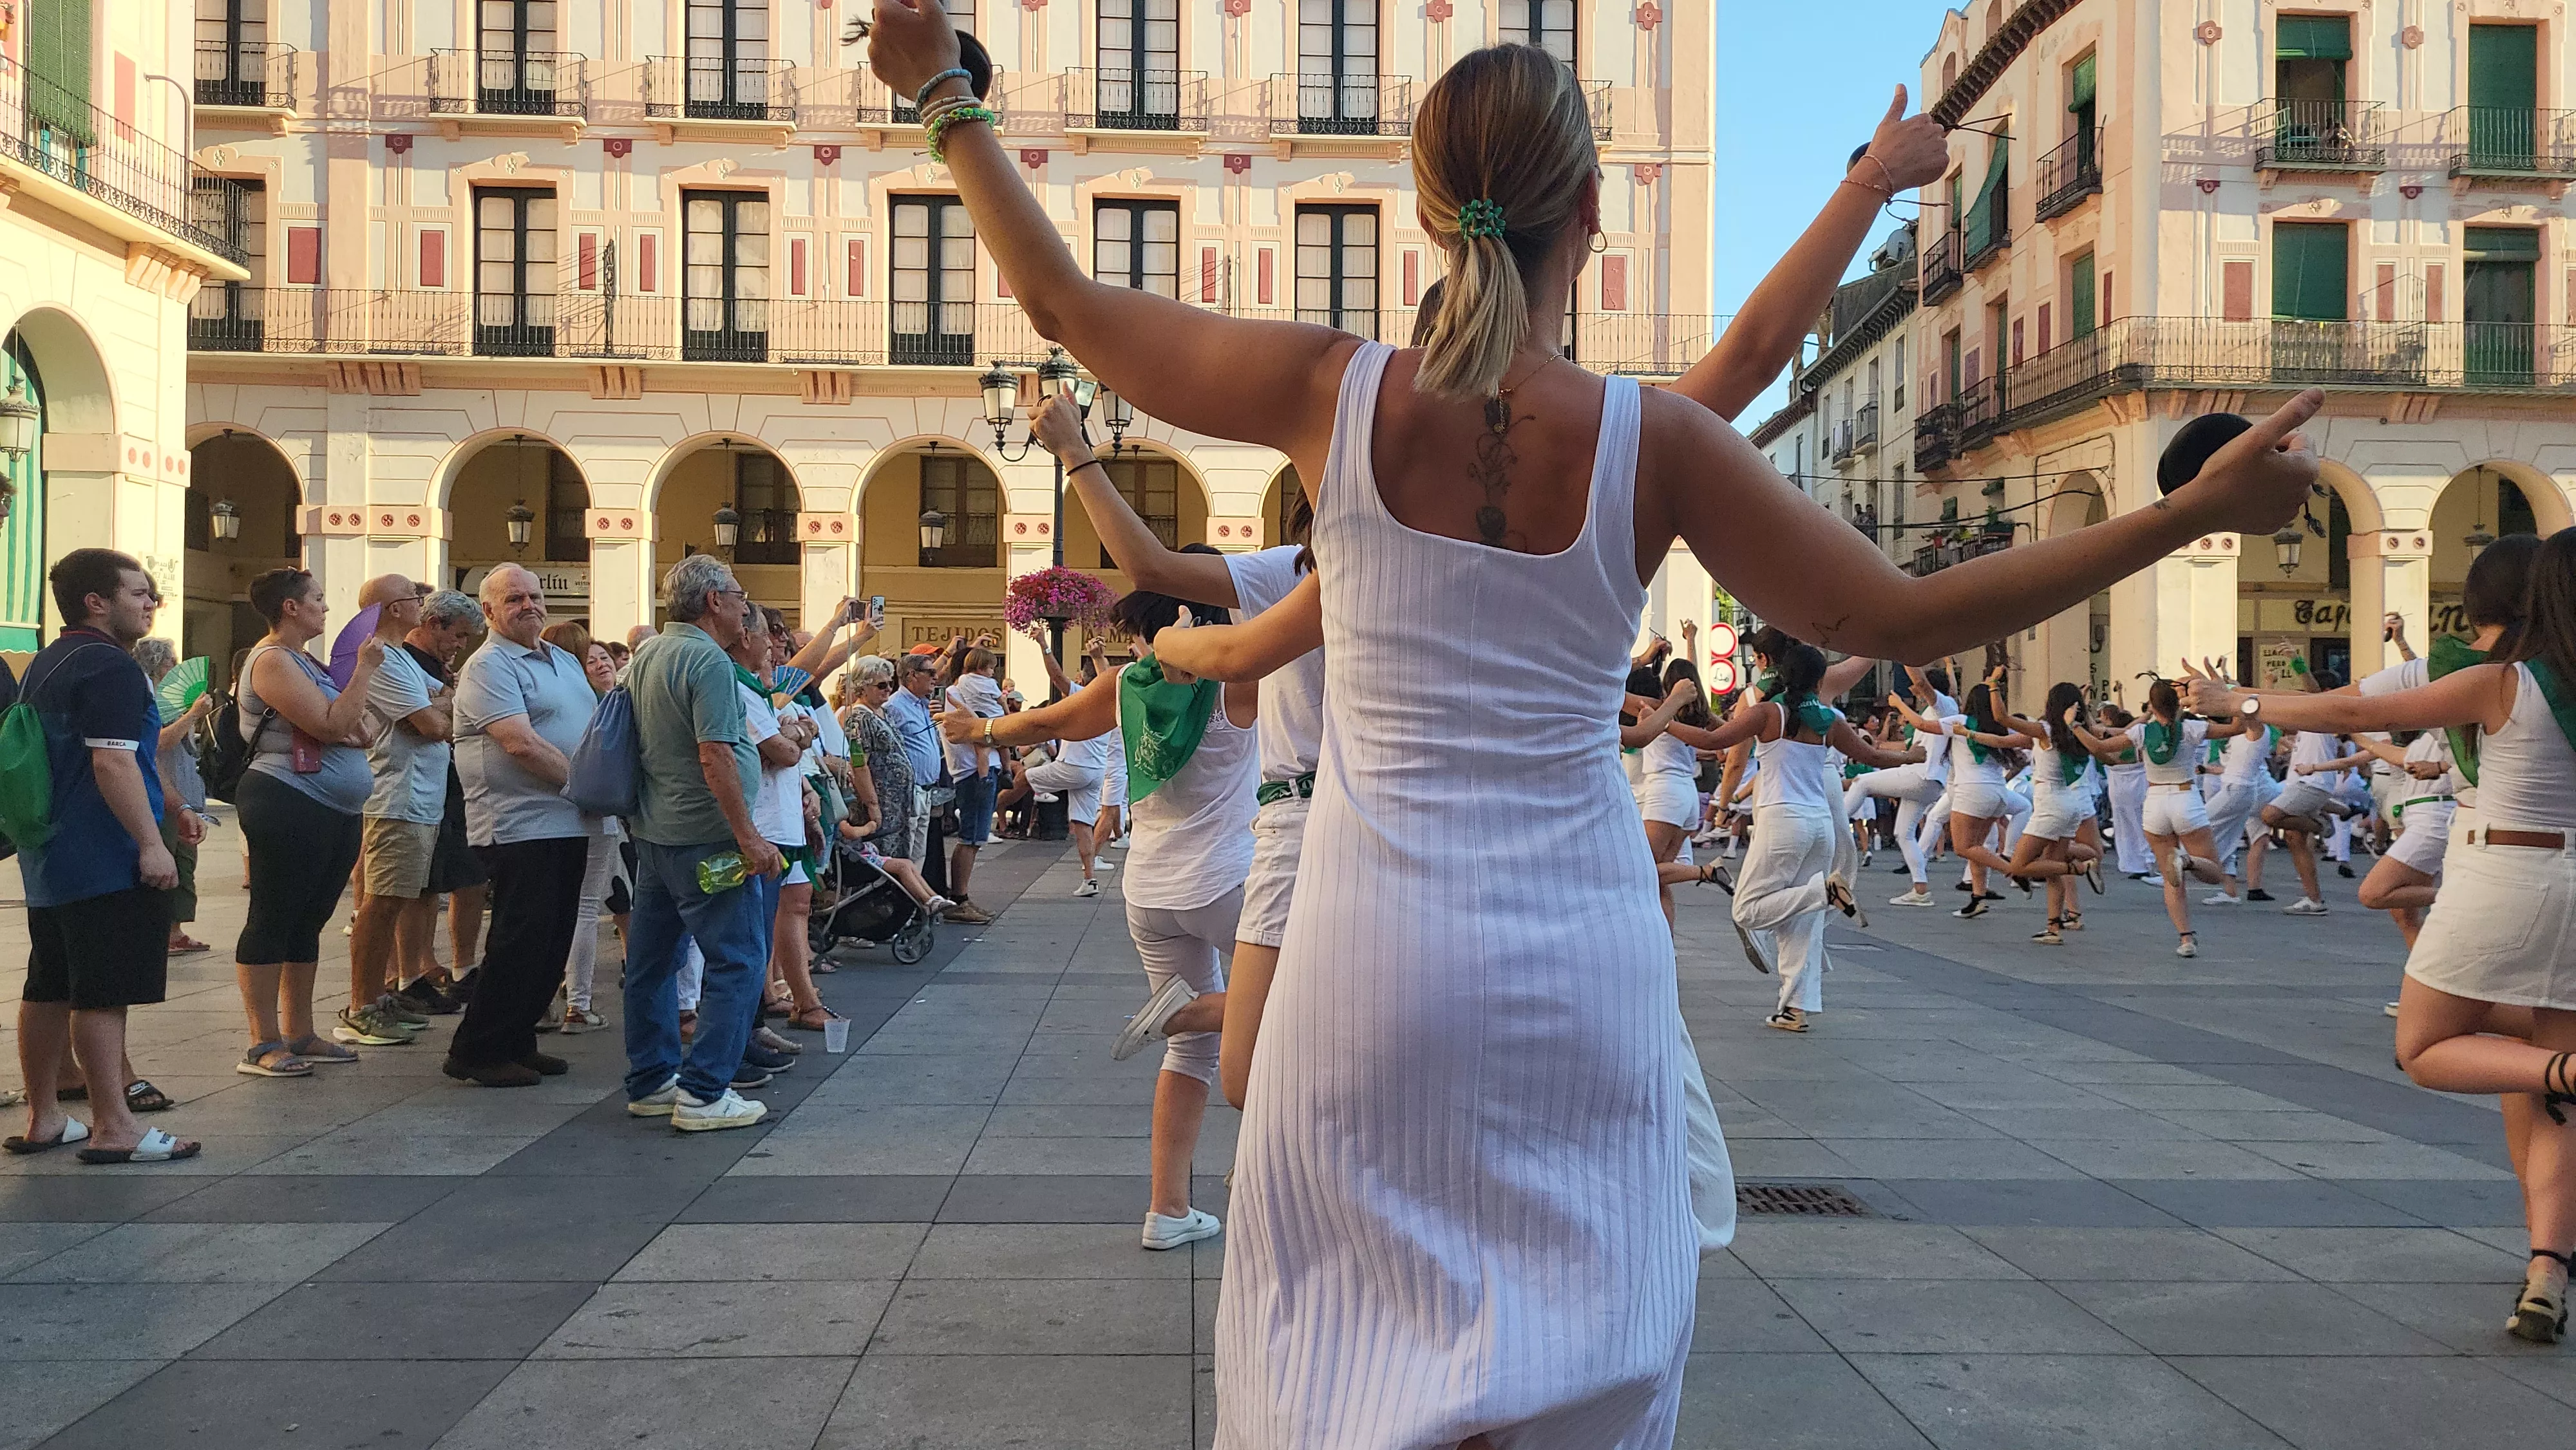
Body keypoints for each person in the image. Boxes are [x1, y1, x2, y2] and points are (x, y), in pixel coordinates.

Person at [867, 15, 2323, 1440]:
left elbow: (1064, 306)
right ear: (1592, 215)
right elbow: (1895, 609)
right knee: (1579, 1351)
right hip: (1575, 958)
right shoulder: (1650, 442)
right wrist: (2183, 508)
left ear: (1428, 211)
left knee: (1339, 1363)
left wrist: (942, 88)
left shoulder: (1333, 396)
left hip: (1364, 962)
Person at [2183, 534, 2576, 1346]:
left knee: (2426, 1045)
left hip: (2508, 873)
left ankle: (2568, 1076)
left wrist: (2242, 704)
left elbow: (2360, 711)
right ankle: (2547, 1267)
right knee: (2547, 1094)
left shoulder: (2502, 682)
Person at [943, 581, 1258, 1252]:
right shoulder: (1239, 683)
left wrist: (981, 729)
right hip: (1228, 877)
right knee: (1296, 1001)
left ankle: (1168, 1208)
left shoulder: (1124, 685)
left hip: (1150, 884)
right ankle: (1187, 1013)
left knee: (1190, 1057)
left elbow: (1051, 721)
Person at [5, 551, 200, 1164]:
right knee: (101, 993)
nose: (151, 604)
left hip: (53, 854)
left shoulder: (49, 661)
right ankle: (113, 1125)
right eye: (140, 593)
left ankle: (45, 1117)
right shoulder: (111, 667)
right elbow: (113, 760)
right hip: (104, 854)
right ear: (97, 602)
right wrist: (150, 843)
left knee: (49, 984)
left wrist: (170, 804)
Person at [618, 554, 779, 1131]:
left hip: (657, 831)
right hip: (706, 836)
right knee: (738, 961)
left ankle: (653, 1080)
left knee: (652, 961)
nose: (744, 606)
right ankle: (706, 1091)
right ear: (714, 601)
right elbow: (715, 754)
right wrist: (748, 836)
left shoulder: (651, 653)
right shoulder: (707, 660)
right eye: (738, 595)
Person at [1689, 636, 1917, 1030]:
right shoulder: (1830, 719)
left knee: (1746, 909)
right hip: (1821, 826)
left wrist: (1663, 721)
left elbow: (1715, 742)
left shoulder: (1767, 713)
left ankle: (1824, 892)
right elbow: (1874, 757)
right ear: (1818, 682)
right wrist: (1911, 756)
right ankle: (1795, 1007)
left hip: (1782, 821)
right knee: (1802, 917)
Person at [446, 563, 601, 1087]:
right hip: (519, 824)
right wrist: (588, 786)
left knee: (551, 940)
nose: (530, 605)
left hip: (567, 821)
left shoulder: (560, 658)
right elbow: (520, 743)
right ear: (488, 611)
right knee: (520, 939)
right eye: (515, 599)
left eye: (535, 596)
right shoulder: (489, 666)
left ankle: (517, 1039)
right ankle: (478, 1050)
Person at [233, 568, 382, 1077]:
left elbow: (361, 731)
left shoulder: (308, 661)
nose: (324, 606)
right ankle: (262, 1042)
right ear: (291, 608)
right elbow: (334, 724)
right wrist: (362, 672)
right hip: (286, 799)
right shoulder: (272, 659)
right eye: (317, 598)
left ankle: (300, 1030)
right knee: (273, 917)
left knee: (309, 920)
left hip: (331, 806)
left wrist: (345, 713)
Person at [344, 575, 453, 1048]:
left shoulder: (401, 655)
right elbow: (431, 723)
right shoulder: (381, 657)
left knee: (395, 900)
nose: (421, 605)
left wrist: (439, 705)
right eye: (414, 598)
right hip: (398, 795)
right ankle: (363, 1004)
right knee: (381, 903)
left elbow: (446, 697)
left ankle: (377, 997)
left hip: (419, 795)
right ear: (392, 608)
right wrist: (438, 708)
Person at [2071, 678, 2246, 957]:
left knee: (2170, 878)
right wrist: (2234, 697)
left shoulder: (2140, 732)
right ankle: (2187, 860)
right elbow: (2238, 728)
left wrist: (2075, 725)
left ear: (2151, 706)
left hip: (2154, 805)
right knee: (2213, 871)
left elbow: (2099, 747)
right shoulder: (2191, 728)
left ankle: (2185, 938)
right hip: (2186, 798)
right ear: (2178, 704)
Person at [400, 590, 488, 1013]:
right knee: (421, 887)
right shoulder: (402, 662)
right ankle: (408, 974)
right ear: (433, 623)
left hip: (456, 783)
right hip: (414, 787)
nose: (461, 645)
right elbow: (428, 721)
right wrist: (449, 700)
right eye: (458, 635)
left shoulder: (444, 668)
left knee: (470, 878)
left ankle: (463, 967)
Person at [550, 629, 625, 1031]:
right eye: (589, 658)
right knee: (583, 907)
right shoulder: (600, 705)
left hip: (548, 811)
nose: (600, 664)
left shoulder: (555, 698)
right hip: (594, 809)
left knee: (553, 908)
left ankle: (553, 999)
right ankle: (578, 1002)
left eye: (603, 657)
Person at [1845, 664, 1959, 906]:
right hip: (1927, 780)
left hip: (1922, 776)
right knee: (1903, 833)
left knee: (1862, 782)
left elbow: (1922, 683)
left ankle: (1830, 829)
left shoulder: (1944, 706)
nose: (1915, 690)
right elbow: (1909, 750)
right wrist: (1877, 748)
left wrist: (1906, 657)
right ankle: (1920, 890)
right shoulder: (1935, 710)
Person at [135, 637, 216, 958]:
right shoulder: (148, 699)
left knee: (185, 861)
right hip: (163, 792)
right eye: (170, 662)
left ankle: (174, 929)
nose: (175, 668)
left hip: (183, 789)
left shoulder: (171, 701)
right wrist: (193, 715)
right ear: (157, 664)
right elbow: (159, 742)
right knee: (170, 859)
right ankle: (162, 930)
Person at [940, 643, 1005, 923]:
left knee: (974, 839)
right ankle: (959, 898)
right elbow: (981, 735)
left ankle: (961, 896)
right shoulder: (959, 695)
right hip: (974, 772)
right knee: (971, 838)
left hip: (975, 770)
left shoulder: (959, 691)